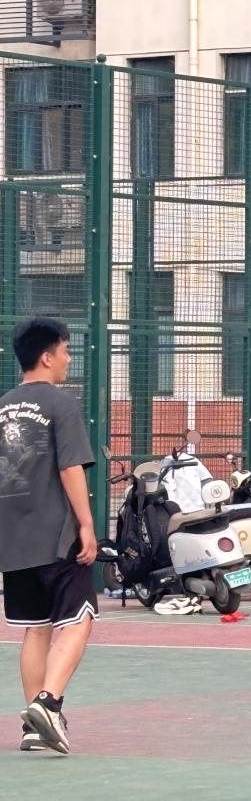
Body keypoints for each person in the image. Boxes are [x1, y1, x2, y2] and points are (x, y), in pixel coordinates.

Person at [0, 317, 97, 754]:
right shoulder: (61, 403)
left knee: (35, 629)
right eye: (65, 350)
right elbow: (70, 467)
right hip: (56, 534)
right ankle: (48, 703)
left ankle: (33, 727)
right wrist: (87, 525)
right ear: (46, 357)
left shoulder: (2, 406)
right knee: (79, 619)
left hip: (12, 538)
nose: (68, 359)